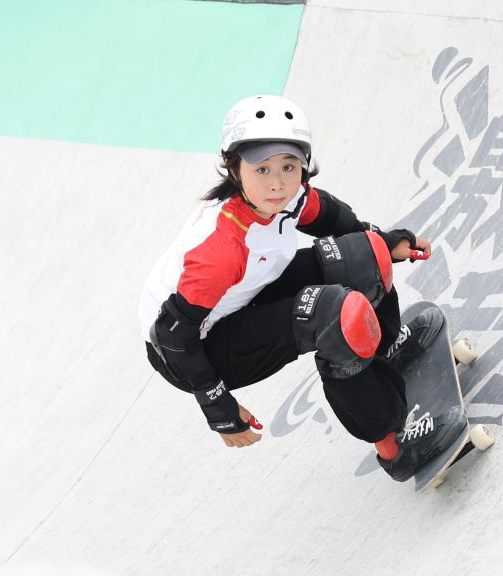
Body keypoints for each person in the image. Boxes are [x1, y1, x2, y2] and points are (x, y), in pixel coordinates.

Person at [139, 94, 463, 481]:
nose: (277, 184)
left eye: (289, 167)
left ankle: (385, 352)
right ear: (233, 167)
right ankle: (395, 448)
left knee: (367, 256)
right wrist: (218, 406)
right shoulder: (222, 249)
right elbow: (173, 335)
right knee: (335, 317)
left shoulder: (287, 197)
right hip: (199, 352)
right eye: (262, 170)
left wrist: (388, 240)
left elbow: (333, 219)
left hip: (243, 297)